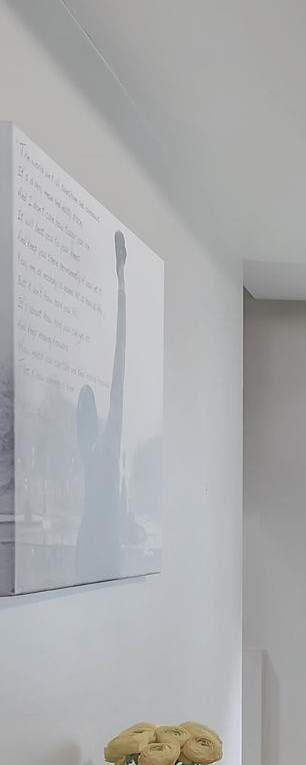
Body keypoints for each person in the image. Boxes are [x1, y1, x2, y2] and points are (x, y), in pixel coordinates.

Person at [73, 229, 126, 582]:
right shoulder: (91, 453)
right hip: (90, 553)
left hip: (102, 553)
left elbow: (119, 367)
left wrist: (121, 282)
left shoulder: (105, 448)